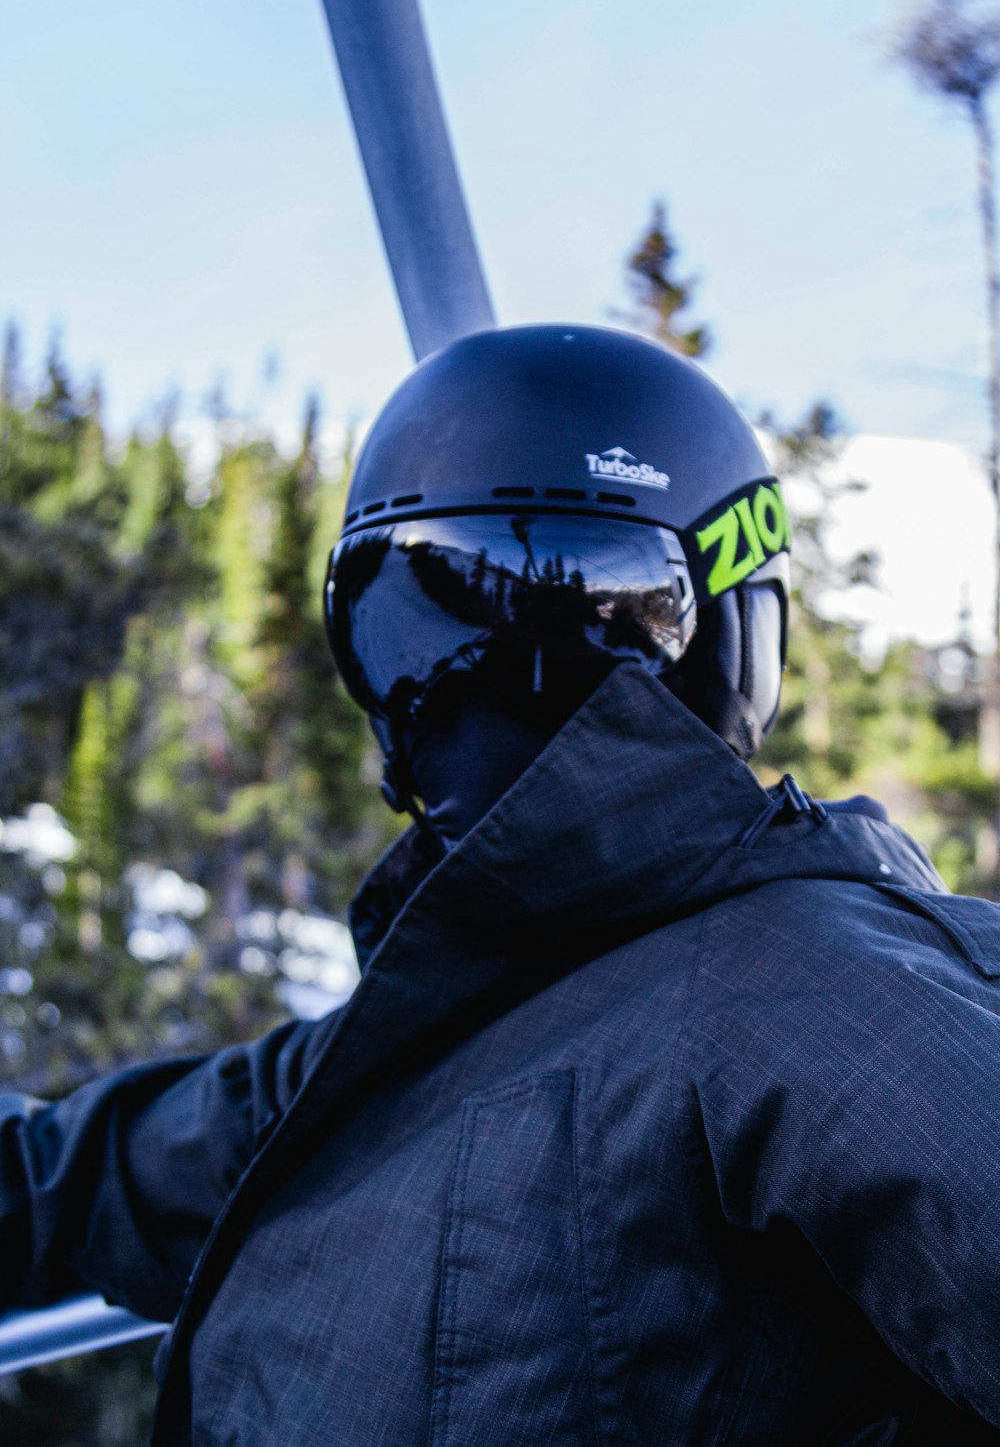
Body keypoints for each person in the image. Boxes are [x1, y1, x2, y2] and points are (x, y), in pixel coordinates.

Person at [3, 324, 1000, 1445]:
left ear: (703, 636)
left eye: (561, 613)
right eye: (399, 625)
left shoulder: (830, 997)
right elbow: (79, 1175)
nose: (457, 683)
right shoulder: (406, 1031)